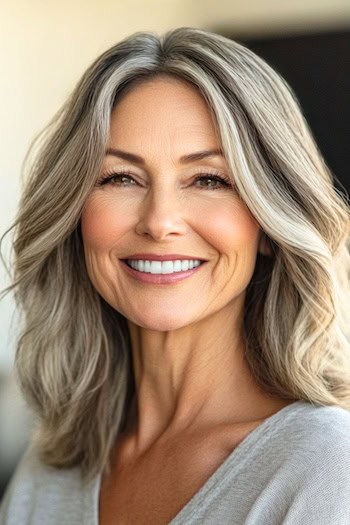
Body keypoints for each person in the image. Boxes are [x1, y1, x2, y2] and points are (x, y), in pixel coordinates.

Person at [1, 26, 350, 525]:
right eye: (120, 177)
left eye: (209, 179)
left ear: (270, 224)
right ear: (74, 215)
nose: (159, 220)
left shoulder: (326, 467)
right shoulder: (52, 469)